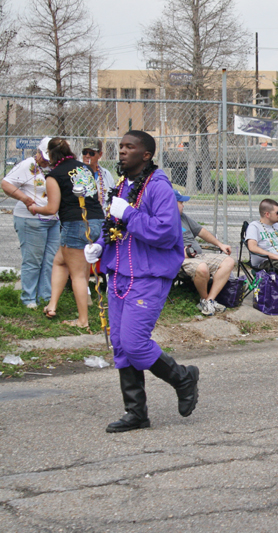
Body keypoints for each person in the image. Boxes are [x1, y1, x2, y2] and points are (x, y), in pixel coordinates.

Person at [83, 130, 199, 433]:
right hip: (119, 273)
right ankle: (136, 413)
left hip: (148, 275)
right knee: (121, 345)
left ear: (146, 155)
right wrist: (100, 245)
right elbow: (113, 225)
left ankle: (182, 378)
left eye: (129, 147)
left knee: (135, 344)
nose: (122, 151)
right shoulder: (123, 185)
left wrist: (130, 215)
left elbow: (165, 233)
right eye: (120, 146)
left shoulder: (159, 187)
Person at [28, 138, 103, 329]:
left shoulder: (54, 176)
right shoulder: (84, 168)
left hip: (75, 224)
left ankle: (82, 320)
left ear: (51, 155)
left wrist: (35, 208)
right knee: (60, 261)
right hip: (96, 220)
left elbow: (52, 208)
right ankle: (52, 305)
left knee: (77, 274)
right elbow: (96, 196)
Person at [1, 137, 59, 308]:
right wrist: (25, 199)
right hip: (30, 219)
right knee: (33, 260)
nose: (46, 161)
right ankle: (29, 298)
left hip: (53, 219)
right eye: (44, 157)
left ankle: (45, 297)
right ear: (39, 152)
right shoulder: (28, 165)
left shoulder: (56, 166)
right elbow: (6, 184)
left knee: (50, 260)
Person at [176, 192, 237, 316]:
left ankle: (210, 300)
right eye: (181, 202)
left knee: (228, 261)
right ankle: (204, 300)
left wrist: (220, 244)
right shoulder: (162, 221)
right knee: (202, 267)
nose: (183, 205)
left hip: (197, 256)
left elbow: (201, 231)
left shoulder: (183, 217)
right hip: (180, 259)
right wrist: (178, 252)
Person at [81, 140, 116, 210]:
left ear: (100, 155)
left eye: (91, 153)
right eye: (85, 152)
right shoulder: (77, 174)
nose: (87, 156)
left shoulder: (106, 174)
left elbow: (113, 199)